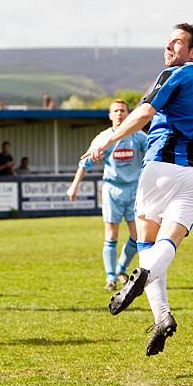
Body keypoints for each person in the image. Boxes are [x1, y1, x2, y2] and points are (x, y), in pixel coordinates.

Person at [84, 23, 193, 356]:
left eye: (177, 42)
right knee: (168, 243)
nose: (168, 46)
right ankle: (162, 317)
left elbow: (146, 111)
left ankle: (145, 277)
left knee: (148, 244)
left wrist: (110, 136)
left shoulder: (173, 76)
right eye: (167, 41)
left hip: (161, 167)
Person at [68, 99, 147, 291]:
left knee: (137, 236)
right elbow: (85, 163)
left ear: (129, 114)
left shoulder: (138, 136)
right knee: (111, 234)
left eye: (122, 110)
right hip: (112, 190)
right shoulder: (103, 138)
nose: (119, 113)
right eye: (115, 111)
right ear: (110, 115)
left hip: (135, 190)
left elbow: (153, 155)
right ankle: (111, 277)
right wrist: (74, 186)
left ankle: (121, 268)